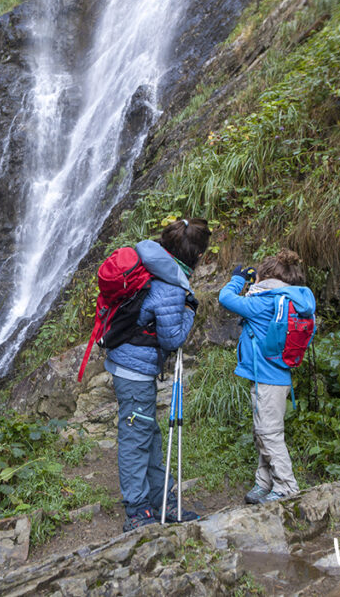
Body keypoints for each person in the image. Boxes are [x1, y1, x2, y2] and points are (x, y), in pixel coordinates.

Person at [105, 218, 211, 531]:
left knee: (148, 437)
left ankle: (160, 500)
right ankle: (137, 510)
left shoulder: (154, 264)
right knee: (137, 440)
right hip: (134, 372)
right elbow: (172, 338)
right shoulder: (171, 287)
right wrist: (191, 310)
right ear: (197, 257)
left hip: (130, 365)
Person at [218, 249, 315, 504]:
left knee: (269, 433)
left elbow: (225, 297)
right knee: (264, 430)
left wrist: (239, 279)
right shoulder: (292, 300)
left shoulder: (262, 302)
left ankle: (286, 487)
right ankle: (265, 482)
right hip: (279, 377)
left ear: (267, 276)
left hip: (268, 380)